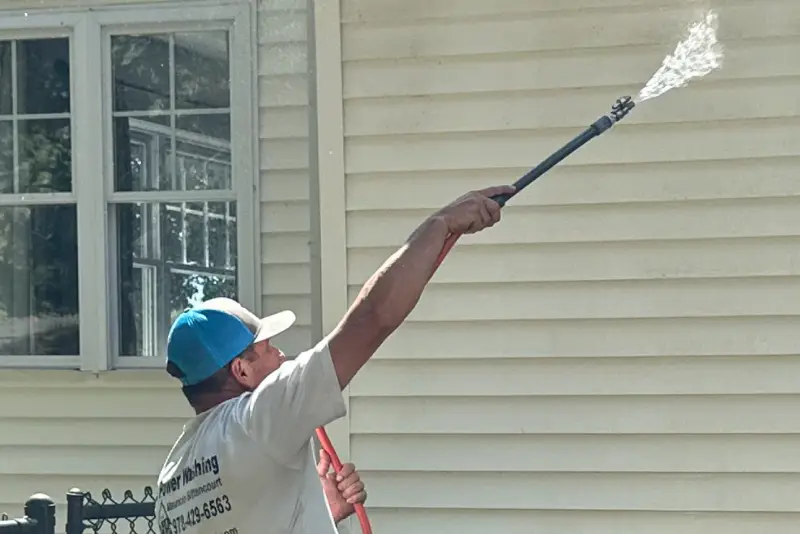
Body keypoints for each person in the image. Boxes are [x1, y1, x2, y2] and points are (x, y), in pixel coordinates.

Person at [154, 185, 515, 534]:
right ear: (242, 370)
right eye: (267, 349)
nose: (281, 355)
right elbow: (372, 318)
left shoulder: (172, 484)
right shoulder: (256, 419)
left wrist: (320, 511)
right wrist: (442, 223)